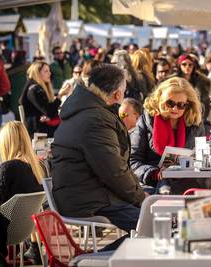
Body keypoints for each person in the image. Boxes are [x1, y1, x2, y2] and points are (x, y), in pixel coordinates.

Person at [51, 64, 146, 251]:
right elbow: (113, 171)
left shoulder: (84, 109)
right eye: (124, 91)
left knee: (152, 219)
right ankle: (91, 262)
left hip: (85, 192)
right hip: (88, 198)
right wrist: (141, 198)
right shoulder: (95, 118)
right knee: (152, 225)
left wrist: (140, 195)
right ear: (118, 95)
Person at [130, 77, 205, 194]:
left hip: (186, 179)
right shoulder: (146, 120)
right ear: (161, 100)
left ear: (188, 105)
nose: (175, 108)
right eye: (170, 103)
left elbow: (202, 157)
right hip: (152, 182)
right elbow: (133, 160)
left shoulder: (195, 123)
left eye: (181, 105)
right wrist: (153, 173)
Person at [0, 121, 44, 264]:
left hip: (7, 231)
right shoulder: (37, 167)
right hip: (27, 230)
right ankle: (34, 248)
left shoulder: (8, 168)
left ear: (5, 143)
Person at [20, 61, 69, 137]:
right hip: (38, 131)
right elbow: (49, 111)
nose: (49, 73)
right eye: (46, 71)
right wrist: (60, 95)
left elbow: (50, 112)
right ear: (38, 73)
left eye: (49, 71)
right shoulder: (34, 89)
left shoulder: (38, 87)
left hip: (42, 127)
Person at [172, 54, 211, 120]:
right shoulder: (172, 81)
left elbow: (205, 103)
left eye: (190, 65)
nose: (187, 67)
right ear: (179, 66)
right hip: (177, 113)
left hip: (195, 115)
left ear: (194, 66)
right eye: (184, 64)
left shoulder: (202, 82)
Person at [7, 51, 30, 120]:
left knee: (19, 121)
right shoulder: (29, 68)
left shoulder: (8, 72)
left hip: (15, 102)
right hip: (28, 101)